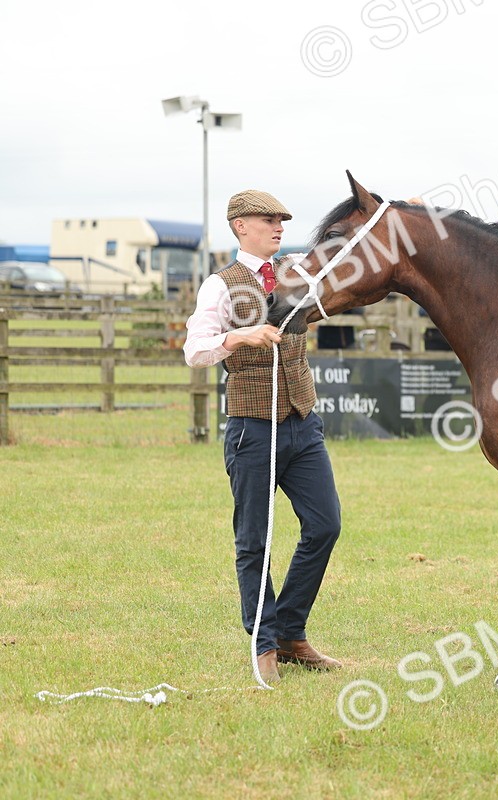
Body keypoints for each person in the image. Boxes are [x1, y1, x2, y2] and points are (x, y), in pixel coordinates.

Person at [183, 190, 343, 683]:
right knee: (255, 541)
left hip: (303, 423)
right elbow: (194, 349)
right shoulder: (220, 285)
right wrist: (237, 336)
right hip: (252, 429)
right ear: (240, 226)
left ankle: (291, 631)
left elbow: (345, 257)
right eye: (268, 219)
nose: (278, 226)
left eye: (281, 220)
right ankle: (264, 644)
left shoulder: (295, 269)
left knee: (325, 525)